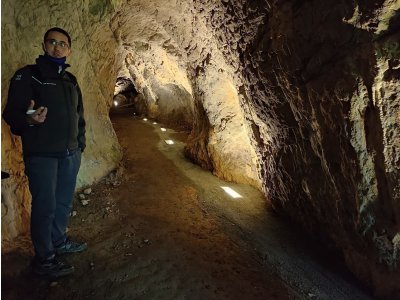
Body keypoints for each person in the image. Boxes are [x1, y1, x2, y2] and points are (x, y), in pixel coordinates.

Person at [2, 27, 87, 277]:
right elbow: (11, 115)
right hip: (42, 155)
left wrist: (80, 144)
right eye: (52, 42)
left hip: (70, 154)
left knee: (62, 203)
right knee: (45, 206)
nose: (57, 47)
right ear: (44, 46)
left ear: (69, 49)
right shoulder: (29, 76)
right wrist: (30, 120)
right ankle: (44, 259)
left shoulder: (70, 81)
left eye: (63, 43)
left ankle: (59, 242)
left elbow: (79, 116)